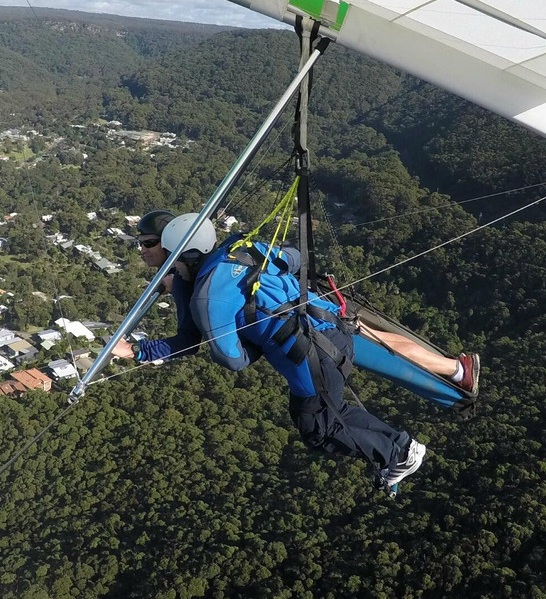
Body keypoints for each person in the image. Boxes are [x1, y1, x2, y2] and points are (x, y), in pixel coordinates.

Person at [114, 210, 477, 490]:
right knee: (380, 350)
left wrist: (254, 341)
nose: (142, 250)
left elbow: (233, 360)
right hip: (327, 317)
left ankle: (400, 452)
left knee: (317, 425)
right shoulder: (240, 246)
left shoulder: (207, 297)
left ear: (176, 247)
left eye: (147, 243)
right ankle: (456, 371)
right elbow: (294, 259)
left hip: (308, 354)